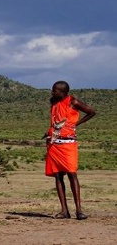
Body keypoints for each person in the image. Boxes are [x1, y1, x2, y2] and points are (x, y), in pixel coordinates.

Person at [45, 81, 95, 220]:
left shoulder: (73, 101)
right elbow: (56, 121)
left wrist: (74, 124)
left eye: (55, 90)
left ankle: (79, 211)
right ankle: (64, 211)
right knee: (58, 176)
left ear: (63, 92)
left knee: (72, 173)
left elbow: (91, 112)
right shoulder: (54, 102)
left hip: (68, 143)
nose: (52, 92)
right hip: (54, 142)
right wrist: (50, 131)